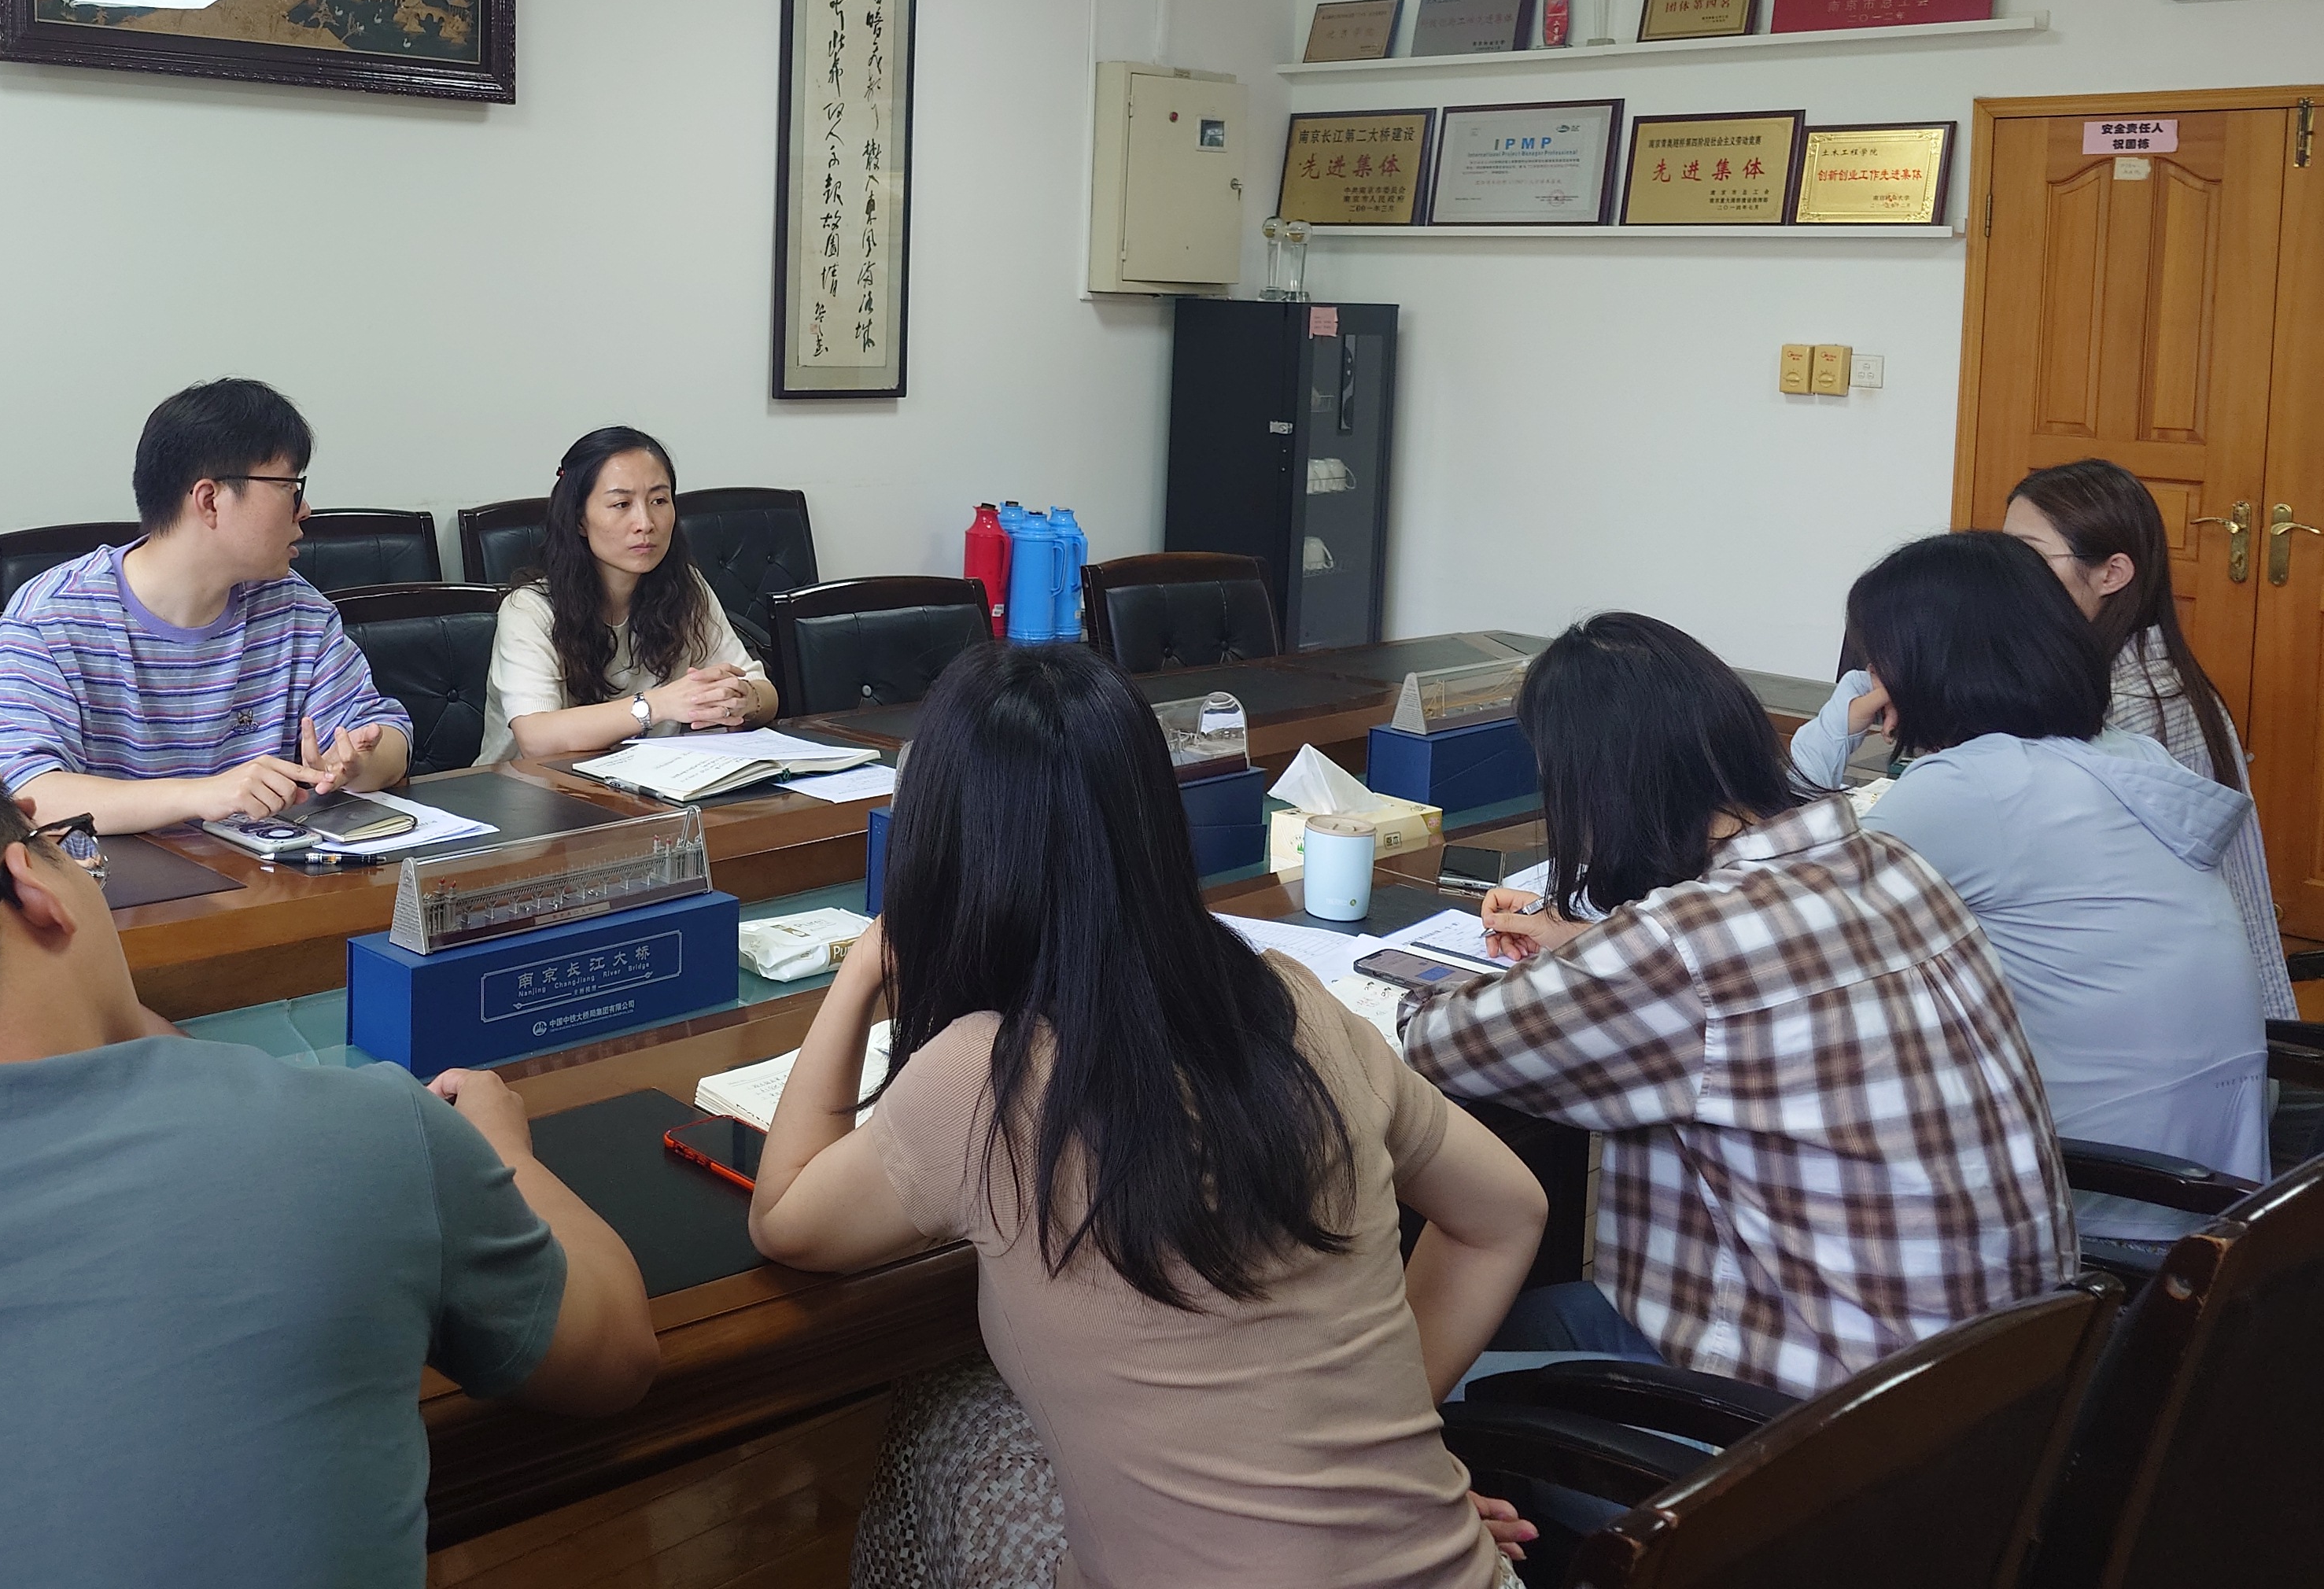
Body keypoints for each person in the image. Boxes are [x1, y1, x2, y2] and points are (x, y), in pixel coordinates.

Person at [0, 724, 656, 1588]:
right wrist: (500, 1151)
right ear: (33, 889)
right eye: (67, 844)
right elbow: (612, 1359)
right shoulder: (365, 1138)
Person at [749, 643, 1550, 1589]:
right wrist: (1372, 1466)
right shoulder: (1290, 1004)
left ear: (944, 848)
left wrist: (862, 971)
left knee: (942, 1412)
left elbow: (786, 1218)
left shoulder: (980, 1075)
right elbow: (1507, 1213)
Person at [1403, 612, 2075, 1400]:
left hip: (1808, 1422)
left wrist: (1555, 965)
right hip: (1997, 1386)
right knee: (1507, 1316)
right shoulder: (1891, 863)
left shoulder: (1683, 942)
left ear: (1600, 789)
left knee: (1397, 1378)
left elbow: (1439, 1045)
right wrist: (1598, 947)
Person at [1788, 530, 2267, 1180]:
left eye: (1879, 662)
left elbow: (1792, 922)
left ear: (1926, 664)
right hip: (2216, 1160)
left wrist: (1823, 742)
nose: (1874, 680)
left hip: (2099, 1175)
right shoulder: (2129, 753)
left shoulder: (1971, 786)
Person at [0, 377, 410, 832]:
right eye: (289, 487)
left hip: (264, 873)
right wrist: (201, 794)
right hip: (107, 877)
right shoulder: (50, 617)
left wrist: (358, 765)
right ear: (210, 500)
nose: (305, 510)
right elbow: (22, 794)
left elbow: (385, 734)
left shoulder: (295, 609)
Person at [2002, 458, 2293, 1019]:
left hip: (2173, 1018)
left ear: (2112, 574)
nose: (2007, 576)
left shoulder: (2123, 705)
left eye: (2029, 556)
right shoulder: (2148, 670)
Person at [483, 426, 777, 765]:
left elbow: (765, 693)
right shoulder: (529, 608)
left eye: (659, 501)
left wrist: (743, 700)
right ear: (580, 520)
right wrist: (660, 704)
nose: (645, 522)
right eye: (621, 504)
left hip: (648, 779)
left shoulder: (685, 587)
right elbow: (537, 738)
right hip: (528, 788)